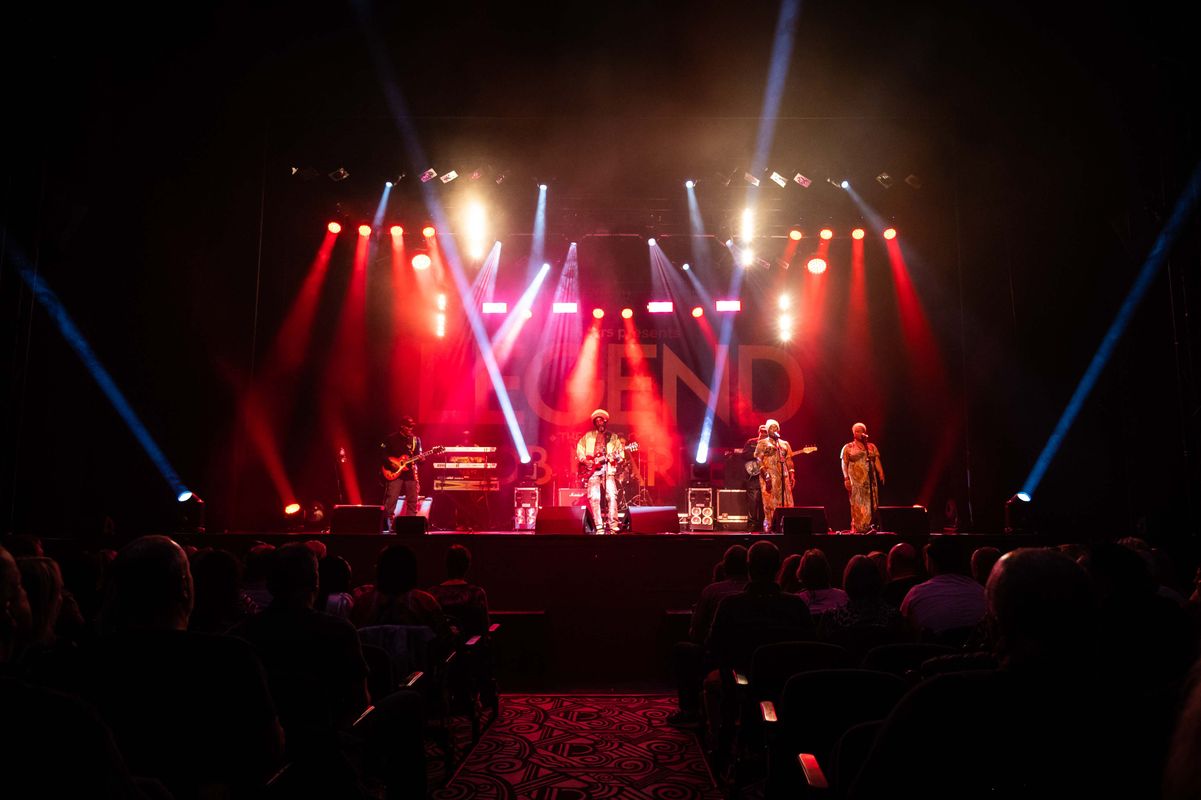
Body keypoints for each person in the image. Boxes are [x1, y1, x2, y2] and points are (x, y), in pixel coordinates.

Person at [575, 408, 625, 534]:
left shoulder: (612, 437)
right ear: (594, 423)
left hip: (608, 470)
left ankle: (613, 525)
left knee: (612, 496)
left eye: (601, 420)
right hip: (593, 471)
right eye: (596, 421)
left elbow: (621, 455)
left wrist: (617, 457)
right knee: (594, 497)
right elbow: (580, 448)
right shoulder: (588, 436)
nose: (599, 422)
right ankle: (599, 526)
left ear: (605, 421)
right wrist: (585, 461)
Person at [380, 416, 422, 532]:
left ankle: (410, 527)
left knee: (413, 500)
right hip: (394, 472)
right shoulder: (390, 438)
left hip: (410, 474)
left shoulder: (415, 440)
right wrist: (390, 464)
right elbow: (381, 452)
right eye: (408, 426)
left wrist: (421, 459)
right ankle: (387, 527)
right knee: (391, 499)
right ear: (402, 426)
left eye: (412, 426)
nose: (410, 428)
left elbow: (417, 456)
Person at [840, 422, 884, 533]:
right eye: (857, 431)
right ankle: (859, 529)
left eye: (861, 431)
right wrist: (846, 478)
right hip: (856, 482)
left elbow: (876, 460)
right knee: (858, 505)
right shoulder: (848, 447)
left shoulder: (871, 447)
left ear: (865, 433)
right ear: (853, 433)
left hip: (870, 481)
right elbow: (844, 463)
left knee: (872, 504)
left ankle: (872, 527)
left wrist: (881, 472)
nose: (859, 433)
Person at [754, 419, 795, 532]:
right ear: (767, 430)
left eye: (775, 427)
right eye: (771, 427)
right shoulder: (762, 443)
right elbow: (758, 459)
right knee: (770, 500)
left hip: (783, 475)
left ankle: (786, 524)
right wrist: (765, 473)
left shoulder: (784, 444)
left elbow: (789, 459)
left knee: (786, 499)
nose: (774, 429)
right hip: (769, 475)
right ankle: (770, 524)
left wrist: (791, 473)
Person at [742, 425, 768, 531]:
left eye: (765, 431)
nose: (763, 433)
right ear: (758, 431)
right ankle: (752, 524)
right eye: (762, 431)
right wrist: (757, 454)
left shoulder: (771, 444)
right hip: (753, 475)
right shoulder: (751, 442)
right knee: (753, 500)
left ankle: (764, 523)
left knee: (765, 500)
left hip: (766, 475)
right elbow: (744, 455)